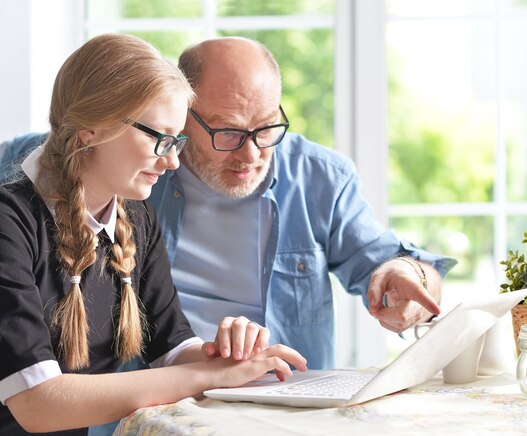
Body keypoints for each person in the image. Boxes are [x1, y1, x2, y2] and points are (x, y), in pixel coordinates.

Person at [0, 36, 456, 371]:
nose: (252, 153)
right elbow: (61, 144)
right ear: (183, 114)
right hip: (136, 403)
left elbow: (384, 262)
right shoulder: (121, 159)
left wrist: (408, 276)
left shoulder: (320, 179)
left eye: (266, 128)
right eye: (228, 131)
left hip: (269, 392)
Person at [0, 33, 306, 435]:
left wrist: (228, 358)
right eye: (159, 138)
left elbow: (171, 346)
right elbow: (37, 403)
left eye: (176, 140)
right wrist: (208, 377)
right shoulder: (9, 223)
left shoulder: (135, 215)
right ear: (91, 128)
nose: (173, 161)